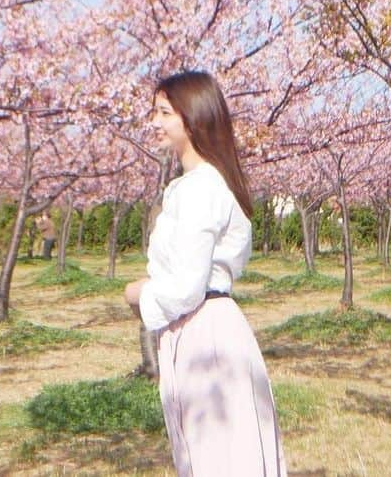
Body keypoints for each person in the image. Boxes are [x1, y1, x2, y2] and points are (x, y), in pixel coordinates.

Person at [124, 70, 286, 477]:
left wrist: (138, 294)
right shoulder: (205, 183)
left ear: (192, 117)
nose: (154, 123)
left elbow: (184, 287)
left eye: (164, 112)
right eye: (154, 112)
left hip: (203, 333)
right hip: (207, 327)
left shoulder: (201, 188)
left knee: (218, 456)